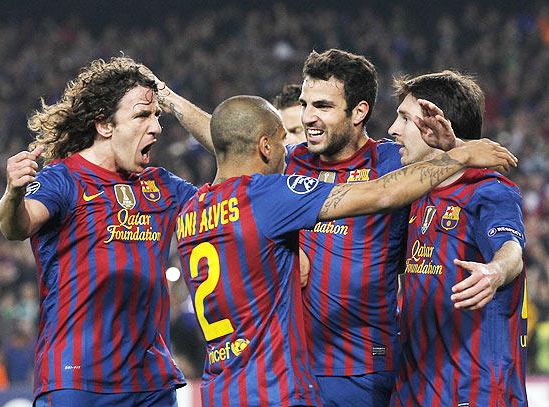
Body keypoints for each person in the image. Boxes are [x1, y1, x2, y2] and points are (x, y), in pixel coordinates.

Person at [174, 94, 516, 406]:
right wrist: (461, 155)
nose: (290, 153)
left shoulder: (191, 210)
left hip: (219, 390)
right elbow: (380, 193)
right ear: (265, 147)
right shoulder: (268, 195)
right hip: (275, 391)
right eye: (283, 142)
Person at [159, 48, 411, 405]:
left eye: (321, 106)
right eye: (305, 104)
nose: (308, 116)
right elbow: (230, 139)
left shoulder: (392, 163)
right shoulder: (289, 164)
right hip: (290, 372)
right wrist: (170, 99)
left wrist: (460, 152)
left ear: (359, 112)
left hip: (361, 368)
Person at [0, 57, 197, 406]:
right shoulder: (63, 179)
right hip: (79, 380)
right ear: (105, 125)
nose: (156, 127)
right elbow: (17, 225)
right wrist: (13, 192)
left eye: (157, 116)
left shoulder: (162, 186)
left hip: (151, 383)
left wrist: (174, 101)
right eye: (141, 115)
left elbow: (234, 164)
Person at [387, 70, 527, 406]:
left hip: (472, 390)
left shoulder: (490, 192)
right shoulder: (416, 191)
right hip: (414, 387)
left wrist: (494, 272)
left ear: (436, 124)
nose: (392, 129)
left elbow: (511, 250)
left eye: (405, 118)